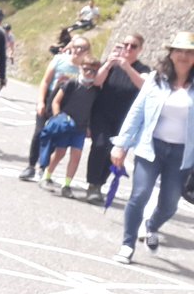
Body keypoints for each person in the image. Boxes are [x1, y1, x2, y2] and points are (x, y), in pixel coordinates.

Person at [110, 31, 194, 264]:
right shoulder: (157, 79)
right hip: (151, 148)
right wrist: (121, 144)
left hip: (182, 154)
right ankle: (127, 245)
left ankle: (151, 225)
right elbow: (137, 111)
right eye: (180, 51)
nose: (184, 56)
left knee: (169, 204)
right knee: (140, 194)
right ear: (171, 53)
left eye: (189, 52)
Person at [86, 34, 149, 204]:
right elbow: (97, 81)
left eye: (133, 46)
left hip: (124, 118)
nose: (128, 48)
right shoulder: (111, 65)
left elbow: (143, 86)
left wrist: (127, 66)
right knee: (99, 145)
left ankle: (99, 184)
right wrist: (108, 63)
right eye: (126, 44)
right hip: (102, 113)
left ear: (140, 49)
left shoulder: (143, 69)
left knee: (112, 152)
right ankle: (92, 184)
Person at [19, 36, 90, 181]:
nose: (78, 50)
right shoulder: (59, 60)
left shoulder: (86, 68)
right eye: (76, 46)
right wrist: (40, 102)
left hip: (66, 105)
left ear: (87, 51)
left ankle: (43, 168)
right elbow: (45, 81)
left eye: (82, 48)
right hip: (49, 99)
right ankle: (31, 166)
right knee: (39, 133)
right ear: (71, 47)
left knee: (55, 135)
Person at [37, 59, 101, 197]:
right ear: (80, 68)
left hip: (81, 127)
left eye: (93, 71)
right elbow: (56, 101)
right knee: (60, 152)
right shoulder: (71, 83)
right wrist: (58, 118)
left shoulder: (95, 90)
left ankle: (66, 185)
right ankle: (46, 176)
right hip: (66, 125)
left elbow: (92, 109)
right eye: (86, 69)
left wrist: (89, 126)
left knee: (76, 156)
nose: (89, 73)